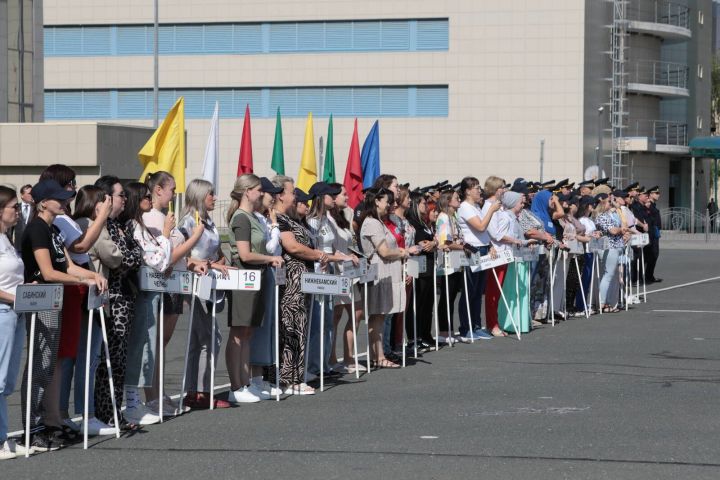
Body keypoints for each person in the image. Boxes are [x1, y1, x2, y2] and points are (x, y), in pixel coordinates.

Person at [20, 179, 107, 451]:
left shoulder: (54, 230)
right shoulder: (37, 229)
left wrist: (93, 275)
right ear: (43, 202)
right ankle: (31, 426)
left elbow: (68, 266)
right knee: (39, 364)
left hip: (53, 300)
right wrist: (84, 282)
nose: (65, 202)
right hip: (39, 300)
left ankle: (47, 422)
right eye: (59, 198)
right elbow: (47, 272)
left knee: (49, 364)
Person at [40, 165, 111, 438]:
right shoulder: (59, 221)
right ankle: (58, 415)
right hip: (67, 288)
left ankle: (61, 415)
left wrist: (91, 275)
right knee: (65, 356)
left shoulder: (63, 218)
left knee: (71, 354)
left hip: (79, 284)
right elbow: (80, 247)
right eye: (68, 185)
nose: (71, 190)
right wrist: (102, 217)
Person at [140, 171, 206, 417]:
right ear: (158, 189)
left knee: (163, 343)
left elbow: (178, 255)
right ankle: (152, 395)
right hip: (163, 283)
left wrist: (191, 262)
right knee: (155, 342)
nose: (174, 193)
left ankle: (159, 391)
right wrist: (194, 239)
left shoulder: (164, 217)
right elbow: (165, 257)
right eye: (171, 189)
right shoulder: (151, 218)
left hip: (176, 284)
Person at [71, 185, 124, 435]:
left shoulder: (79, 223)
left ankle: (79, 413)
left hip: (88, 296)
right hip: (90, 297)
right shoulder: (90, 225)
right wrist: (102, 219)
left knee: (83, 359)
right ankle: (86, 414)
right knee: (87, 360)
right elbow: (112, 255)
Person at [226, 174, 284, 403]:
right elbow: (245, 254)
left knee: (248, 332)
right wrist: (269, 259)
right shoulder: (241, 218)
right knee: (239, 333)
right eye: (258, 189)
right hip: (243, 279)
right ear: (247, 191)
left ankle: (246, 382)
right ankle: (236, 385)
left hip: (254, 279)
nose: (261, 193)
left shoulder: (251, 217)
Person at [178, 179, 232, 409]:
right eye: (211, 194)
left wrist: (219, 261)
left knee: (202, 338)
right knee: (208, 337)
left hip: (210, 282)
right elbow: (181, 255)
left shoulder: (207, 221)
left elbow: (214, 250)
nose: (215, 198)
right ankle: (200, 391)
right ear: (200, 196)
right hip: (195, 283)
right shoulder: (188, 222)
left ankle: (196, 389)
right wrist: (209, 263)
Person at [275, 180, 325, 394]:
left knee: (300, 325)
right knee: (290, 326)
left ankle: (296, 374)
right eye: (291, 192)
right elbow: (292, 246)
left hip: (301, 280)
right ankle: (288, 378)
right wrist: (318, 255)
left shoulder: (290, 219)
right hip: (291, 280)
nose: (295, 196)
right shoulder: (279, 219)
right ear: (280, 195)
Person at [306, 181, 354, 378]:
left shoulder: (327, 220)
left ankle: (324, 363)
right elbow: (316, 250)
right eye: (330, 195)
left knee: (327, 320)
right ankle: (313, 365)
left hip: (330, 270)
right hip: (319, 271)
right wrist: (339, 257)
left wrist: (343, 256)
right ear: (321, 197)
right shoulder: (312, 221)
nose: (334, 198)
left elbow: (332, 248)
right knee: (317, 320)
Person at [359, 188, 412, 367]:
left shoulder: (379, 222)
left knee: (380, 316)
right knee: (378, 316)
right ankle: (378, 356)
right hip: (380, 272)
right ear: (376, 201)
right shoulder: (372, 223)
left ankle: (378, 355)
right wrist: (402, 252)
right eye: (386, 201)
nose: (389, 204)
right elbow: (384, 251)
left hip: (386, 272)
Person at [0, 186, 31, 459]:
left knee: (7, 380)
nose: (18, 211)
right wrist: (14, 297)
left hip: (15, 310)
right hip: (3, 311)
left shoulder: (7, 239)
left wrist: (26, 290)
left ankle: (3, 438)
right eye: (13, 206)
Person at [248, 177, 285, 399]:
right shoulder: (259, 219)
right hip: (262, 271)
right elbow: (271, 247)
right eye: (270, 193)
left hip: (271, 272)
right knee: (259, 328)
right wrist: (273, 226)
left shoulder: (262, 217)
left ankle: (260, 378)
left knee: (268, 327)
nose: (273, 198)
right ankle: (254, 378)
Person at [328, 183, 365, 373]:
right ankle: (332, 358)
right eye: (344, 194)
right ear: (333, 198)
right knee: (336, 316)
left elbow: (347, 243)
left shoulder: (342, 218)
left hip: (350, 272)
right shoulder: (328, 219)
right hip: (337, 272)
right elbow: (331, 247)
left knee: (357, 312)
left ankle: (349, 357)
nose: (347, 197)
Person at [457, 177, 499, 340]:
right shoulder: (465, 207)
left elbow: (483, 230)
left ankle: (475, 324)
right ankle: (465, 327)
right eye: (475, 188)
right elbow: (480, 225)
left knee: (478, 290)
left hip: (482, 248)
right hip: (472, 250)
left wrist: (489, 245)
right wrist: (491, 210)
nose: (479, 190)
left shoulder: (475, 206)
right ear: (467, 191)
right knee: (470, 289)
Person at [406, 191, 438, 350]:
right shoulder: (413, 222)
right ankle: (414, 336)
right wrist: (433, 243)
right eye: (423, 203)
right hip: (419, 267)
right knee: (416, 303)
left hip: (429, 266)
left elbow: (432, 242)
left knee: (427, 303)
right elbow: (423, 243)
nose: (426, 205)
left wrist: (434, 243)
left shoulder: (424, 223)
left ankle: (425, 334)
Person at [496, 191, 532, 333]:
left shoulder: (514, 218)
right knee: (512, 291)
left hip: (519, 256)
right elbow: (502, 236)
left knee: (521, 291)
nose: (523, 205)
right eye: (520, 203)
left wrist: (525, 242)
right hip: (511, 257)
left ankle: (519, 322)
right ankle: (509, 322)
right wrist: (522, 241)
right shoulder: (506, 217)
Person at [481, 176, 511, 337]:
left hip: (504, 252)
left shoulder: (500, 207)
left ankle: (494, 322)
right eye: (503, 187)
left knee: (498, 291)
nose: (505, 190)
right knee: (493, 290)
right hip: (495, 253)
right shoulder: (488, 207)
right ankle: (492, 324)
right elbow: (495, 233)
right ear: (496, 189)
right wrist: (515, 239)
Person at [434, 189, 465, 344]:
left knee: (452, 296)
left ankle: (450, 330)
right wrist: (463, 248)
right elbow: (446, 242)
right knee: (446, 296)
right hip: (447, 262)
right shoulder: (444, 217)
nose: (458, 198)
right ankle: (444, 331)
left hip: (456, 261)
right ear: (448, 201)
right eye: (455, 197)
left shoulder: (453, 216)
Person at [595, 193, 630, 313]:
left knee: (614, 276)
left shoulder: (610, 214)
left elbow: (621, 226)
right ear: (603, 203)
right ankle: (602, 302)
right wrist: (622, 230)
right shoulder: (601, 216)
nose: (611, 203)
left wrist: (623, 231)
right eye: (609, 202)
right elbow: (613, 230)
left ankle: (611, 302)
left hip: (617, 246)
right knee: (608, 275)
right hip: (609, 247)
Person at [12, 184, 33, 253]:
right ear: (22, 195)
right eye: (29, 193)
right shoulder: (16, 208)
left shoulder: (36, 208)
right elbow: (10, 229)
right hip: (18, 247)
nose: (32, 195)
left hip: (32, 246)